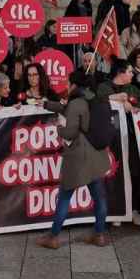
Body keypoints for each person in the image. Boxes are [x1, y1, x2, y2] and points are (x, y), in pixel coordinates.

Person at [36, 72, 111, 249]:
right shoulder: (94, 98)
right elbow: (67, 108)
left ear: (75, 85)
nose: (66, 85)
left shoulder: (77, 103)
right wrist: (46, 104)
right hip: (96, 156)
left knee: (64, 197)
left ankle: (53, 237)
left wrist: (58, 128)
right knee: (99, 197)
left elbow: (69, 132)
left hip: (79, 157)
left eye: (68, 82)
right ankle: (99, 235)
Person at [97, 60, 140, 226]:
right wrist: (114, 98)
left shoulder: (133, 89)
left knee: (132, 173)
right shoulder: (104, 87)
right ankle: (116, 211)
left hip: (130, 139)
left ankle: (133, 210)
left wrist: (136, 108)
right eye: (130, 71)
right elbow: (97, 101)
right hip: (110, 141)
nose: (132, 74)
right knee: (113, 175)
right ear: (120, 72)